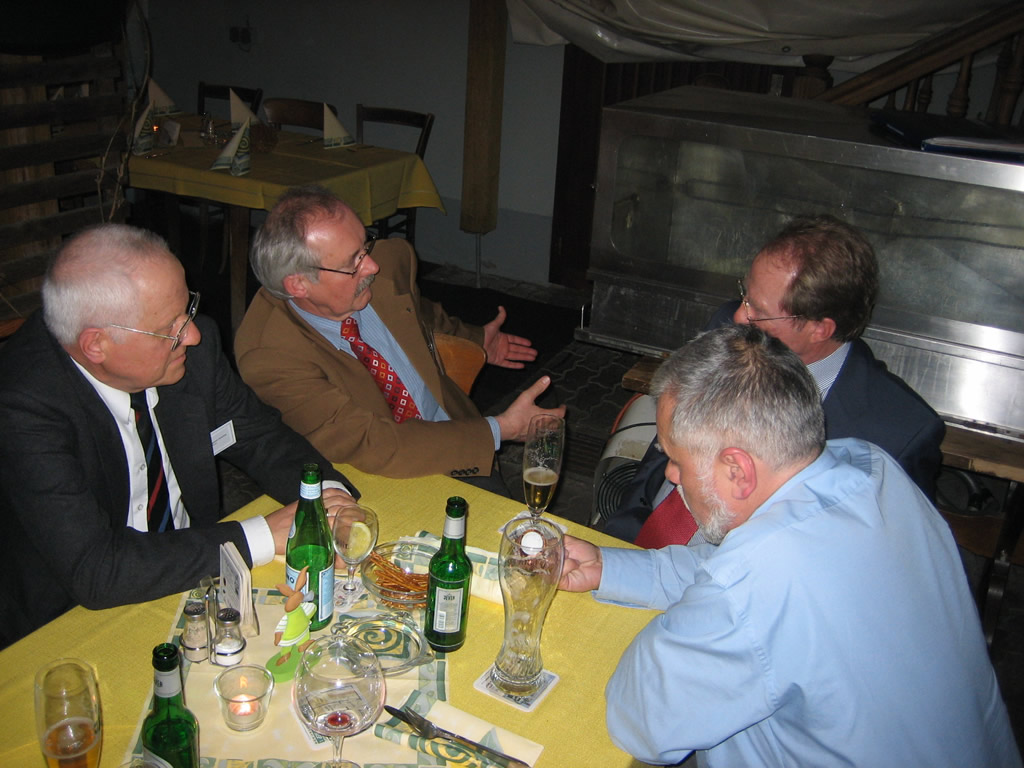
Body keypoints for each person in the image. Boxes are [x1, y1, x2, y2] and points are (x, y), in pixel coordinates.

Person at [559, 325, 1020, 767]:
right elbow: (734, 573)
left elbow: (641, 722)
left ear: (738, 471)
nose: (670, 476)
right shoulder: (870, 466)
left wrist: (679, 628)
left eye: (676, 460)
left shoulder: (751, 586)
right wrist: (610, 567)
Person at [0, 224, 358, 648]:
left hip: (197, 579)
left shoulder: (191, 354)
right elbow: (97, 569)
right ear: (96, 345)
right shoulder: (23, 405)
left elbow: (260, 435)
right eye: (170, 328)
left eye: (187, 308)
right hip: (68, 623)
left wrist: (329, 499)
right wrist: (263, 534)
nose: (193, 334)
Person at [605, 214, 944, 544]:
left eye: (759, 311)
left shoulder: (900, 434)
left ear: (819, 329)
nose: (739, 316)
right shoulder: (732, 328)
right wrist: (621, 534)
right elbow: (664, 456)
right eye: (745, 295)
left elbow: (884, 552)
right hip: (641, 536)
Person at [234, 185, 565, 490]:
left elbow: (423, 315)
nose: (372, 266)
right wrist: (502, 429)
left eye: (364, 246)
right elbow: (371, 443)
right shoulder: (271, 356)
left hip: (456, 440)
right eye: (353, 263)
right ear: (298, 285)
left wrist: (474, 340)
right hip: (374, 477)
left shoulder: (391, 264)